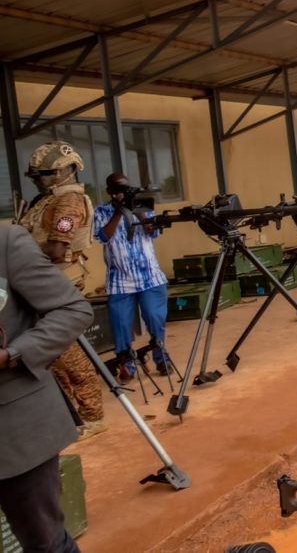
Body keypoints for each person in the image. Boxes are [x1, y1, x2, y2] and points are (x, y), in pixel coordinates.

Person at [0, 224, 93, 553]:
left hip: (14, 427)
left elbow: (73, 308)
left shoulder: (5, 242)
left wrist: (12, 354)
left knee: (45, 543)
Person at [18, 141, 106, 439]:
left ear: (64, 171)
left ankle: (93, 415)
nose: (38, 179)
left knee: (65, 351)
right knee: (51, 355)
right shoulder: (47, 200)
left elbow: (57, 248)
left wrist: (17, 255)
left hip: (57, 285)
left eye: (43, 174)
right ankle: (72, 414)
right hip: (41, 284)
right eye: (35, 175)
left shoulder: (68, 203)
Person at [92, 173, 171, 380]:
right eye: (117, 190)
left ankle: (161, 358)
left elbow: (153, 232)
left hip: (150, 278)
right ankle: (127, 365)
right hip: (120, 282)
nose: (121, 193)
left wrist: (138, 210)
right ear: (109, 192)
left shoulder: (143, 206)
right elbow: (102, 236)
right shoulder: (101, 211)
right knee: (121, 326)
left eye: (125, 189)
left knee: (155, 319)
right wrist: (118, 211)